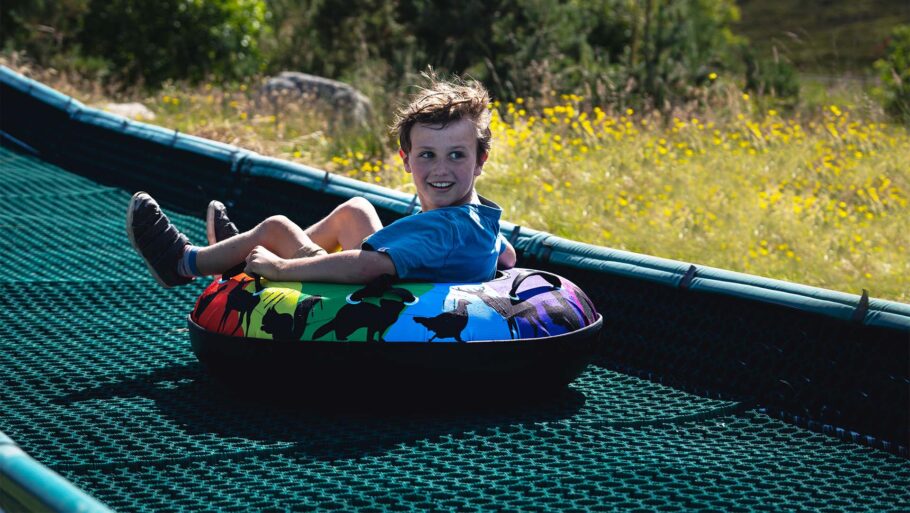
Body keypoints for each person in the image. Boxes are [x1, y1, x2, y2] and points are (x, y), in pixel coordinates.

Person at [127, 74, 517, 287]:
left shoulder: (443, 230)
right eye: (428, 155)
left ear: (480, 159)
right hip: (405, 278)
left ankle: (184, 262)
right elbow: (507, 256)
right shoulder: (477, 219)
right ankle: (237, 257)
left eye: (457, 155)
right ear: (407, 160)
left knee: (276, 228)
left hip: (376, 297)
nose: (441, 169)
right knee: (356, 209)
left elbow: (365, 268)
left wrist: (280, 269)